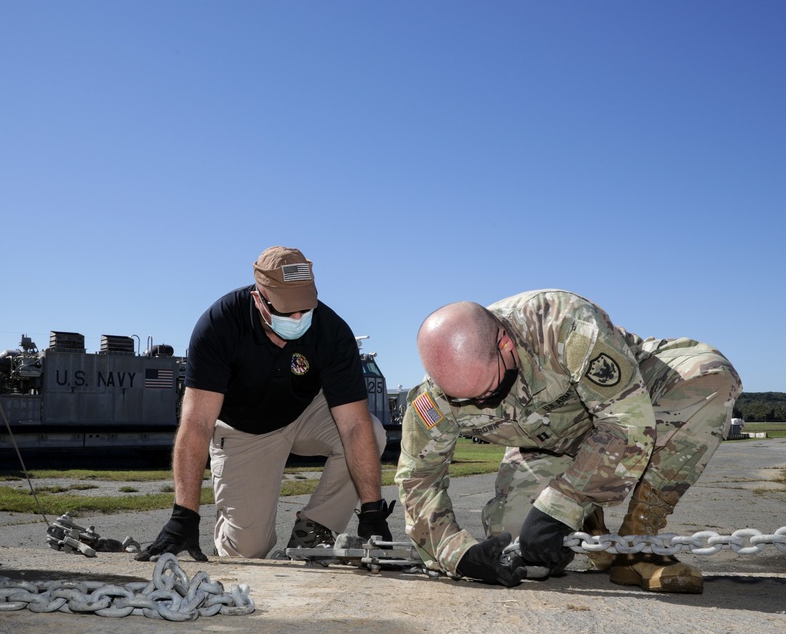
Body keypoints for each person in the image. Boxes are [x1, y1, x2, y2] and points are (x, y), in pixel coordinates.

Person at [398, 289, 741, 593]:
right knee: (524, 549)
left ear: (504, 343)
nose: (483, 403)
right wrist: (457, 555)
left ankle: (639, 544)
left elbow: (626, 423)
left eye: (489, 390)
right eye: (464, 398)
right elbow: (418, 480)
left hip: (628, 402)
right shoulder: (435, 399)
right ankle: (589, 520)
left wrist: (562, 506)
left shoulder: (563, 324)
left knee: (709, 377)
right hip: (547, 446)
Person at [136, 246, 393, 562]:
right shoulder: (220, 325)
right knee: (248, 552)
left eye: (305, 309)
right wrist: (183, 515)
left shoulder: (331, 331)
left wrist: (372, 511)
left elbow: (354, 426)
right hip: (244, 430)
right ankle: (232, 531)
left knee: (373, 430)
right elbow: (197, 423)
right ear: (259, 299)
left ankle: (314, 531)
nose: (298, 319)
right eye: (287, 311)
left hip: (303, 414)